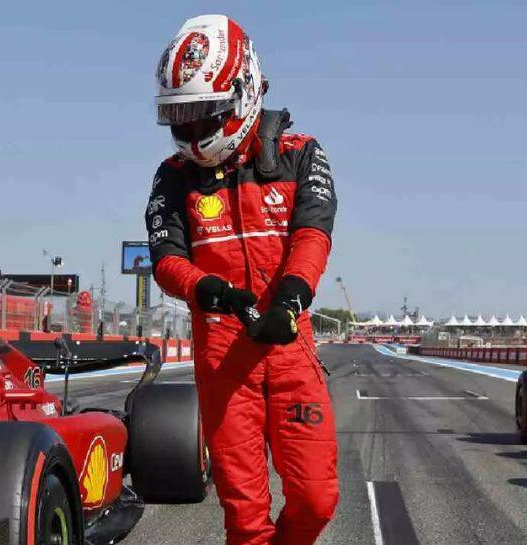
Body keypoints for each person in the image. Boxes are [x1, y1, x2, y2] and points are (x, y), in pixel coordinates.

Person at [146, 15, 338, 545]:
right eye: (177, 117)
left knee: (317, 499)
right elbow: (164, 256)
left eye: (199, 114)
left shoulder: (301, 154)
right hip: (222, 356)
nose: (189, 130)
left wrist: (292, 300)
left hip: (288, 342)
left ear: (243, 92)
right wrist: (203, 288)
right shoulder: (172, 175)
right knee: (245, 517)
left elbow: (313, 233)